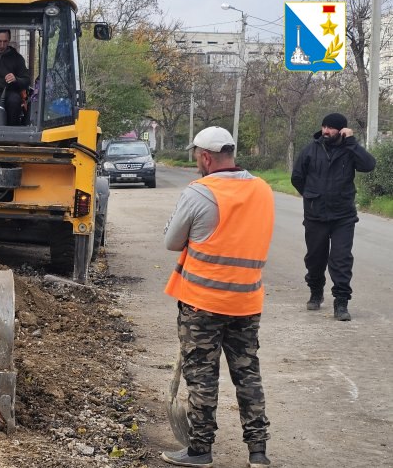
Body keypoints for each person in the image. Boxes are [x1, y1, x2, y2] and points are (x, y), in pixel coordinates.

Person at [161, 126, 275, 468]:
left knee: (202, 377)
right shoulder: (263, 190)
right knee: (248, 375)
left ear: (206, 157)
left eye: (197, 156)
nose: (197, 161)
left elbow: (171, 241)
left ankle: (200, 451)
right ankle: (258, 453)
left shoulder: (200, 192)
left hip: (203, 304)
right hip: (247, 302)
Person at [291, 113, 376, 321]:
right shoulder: (311, 150)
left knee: (341, 260)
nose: (326, 131)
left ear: (342, 130)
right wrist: (311, 196)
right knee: (315, 259)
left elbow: (369, 165)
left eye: (331, 128)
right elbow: (297, 177)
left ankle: (341, 303)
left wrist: (352, 142)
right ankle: (316, 291)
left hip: (343, 216)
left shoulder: (349, 150)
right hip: (316, 216)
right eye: (324, 126)